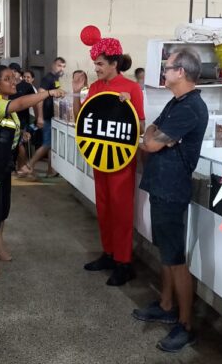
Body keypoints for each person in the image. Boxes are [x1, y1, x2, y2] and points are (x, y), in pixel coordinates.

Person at [132, 48, 208, 352]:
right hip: (161, 185)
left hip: (172, 188)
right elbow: (151, 133)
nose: (164, 72)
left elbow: (150, 144)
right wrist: (156, 137)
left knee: (175, 258)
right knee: (165, 250)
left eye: (168, 67)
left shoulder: (190, 108)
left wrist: (155, 139)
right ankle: (166, 304)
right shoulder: (177, 102)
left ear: (182, 72)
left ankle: (186, 324)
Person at [0, 65, 65, 278]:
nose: (14, 82)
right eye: (7, 79)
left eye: (14, 78)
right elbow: (20, 103)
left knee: (2, 208)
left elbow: (5, 129)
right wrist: (46, 93)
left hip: (2, 166)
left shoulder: (3, 105)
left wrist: (20, 135)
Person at [74, 37, 145, 286]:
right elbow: (81, 120)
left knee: (122, 211)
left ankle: (124, 262)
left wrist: (130, 109)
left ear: (114, 63)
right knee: (103, 208)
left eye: (100, 63)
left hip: (121, 162)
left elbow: (141, 126)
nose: (97, 68)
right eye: (95, 63)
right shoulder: (94, 88)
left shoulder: (132, 88)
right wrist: (76, 91)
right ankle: (109, 253)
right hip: (100, 159)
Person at [27, 57, 66, 177]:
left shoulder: (55, 79)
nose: (61, 69)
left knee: (51, 145)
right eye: (59, 66)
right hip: (46, 116)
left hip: (52, 116)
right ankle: (28, 166)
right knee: (47, 144)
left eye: (63, 66)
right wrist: (40, 117)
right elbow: (40, 96)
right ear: (53, 65)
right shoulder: (48, 78)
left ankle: (50, 170)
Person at [10, 66, 41, 176]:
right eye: (11, 72)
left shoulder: (27, 86)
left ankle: (21, 167)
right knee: (14, 144)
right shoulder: (9, 86)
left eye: (15, 72)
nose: (13, 74)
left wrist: (39, 118)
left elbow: (36, 102)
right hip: (10, 120)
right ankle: (17, 167)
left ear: (19, 74)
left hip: (22, 121)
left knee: (19, 144)